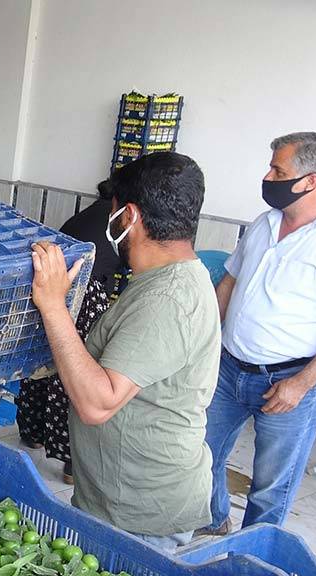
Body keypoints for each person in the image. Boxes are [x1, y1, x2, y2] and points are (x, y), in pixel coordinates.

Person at [30, 151, 219, 552]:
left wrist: (53, 305)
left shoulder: (168, 298)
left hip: (141, 514)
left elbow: (98, 403)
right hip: (116, 499)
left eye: (112, 213)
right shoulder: (161, 280)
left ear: (128, 216)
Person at [203, 132, 316, 535]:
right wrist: (206, 342)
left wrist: (300, 384)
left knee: (271, 484)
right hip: (229, 368)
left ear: (310, 181)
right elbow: (230, 282)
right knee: (201, 454)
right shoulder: (264, 223)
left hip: (290, 380)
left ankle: (253, 554)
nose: (268, 177)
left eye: (278, 171)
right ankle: (211, 525)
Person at [15, 179, 120, 483]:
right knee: (74, 375)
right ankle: (73, 462)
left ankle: (32, 434)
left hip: (51, 285)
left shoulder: (87, 214)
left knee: (42, 366)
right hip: (82, 295)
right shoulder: (119, 224)